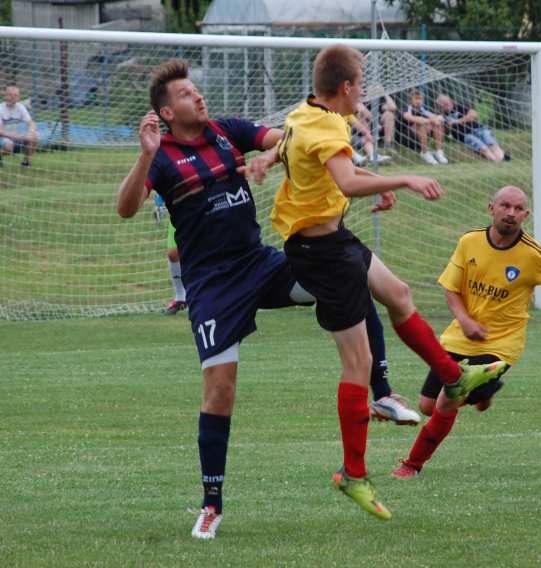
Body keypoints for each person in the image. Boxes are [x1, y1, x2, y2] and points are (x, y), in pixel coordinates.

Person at [115, 59, 418, 540]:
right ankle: (211, 505)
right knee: (221, 391)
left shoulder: (226, 131)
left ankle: (381, 392)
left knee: (347, 274)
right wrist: (144, 156)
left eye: (197, 89)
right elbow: (126, 208)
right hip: (213, 286)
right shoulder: (163, 156)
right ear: (166, 113)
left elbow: (297, 144)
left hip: (259, 264)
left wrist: (344, 174)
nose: (198, 96)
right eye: (187, 93)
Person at [260, 45, 508, 520]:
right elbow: (348, 183)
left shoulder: (303, 113)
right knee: (359, 364)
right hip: (321, 254)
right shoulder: (331, 125)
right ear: (347, 87)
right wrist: (405, 180)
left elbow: (329, 171)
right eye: (362, 86)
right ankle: (353, 475)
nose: (366, 95)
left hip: (332, 238)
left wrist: (374, 178)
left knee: (398, 294)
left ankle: (454, 381)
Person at [390, 185, 541, 478]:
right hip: (460, 336)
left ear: (526, 215)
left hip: (501, 345)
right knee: (427, 405)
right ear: (491, 208)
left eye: (518, 209)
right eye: (505, 206)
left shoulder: (536, 255)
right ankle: (483, 392)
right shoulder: (469, 242)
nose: (511, 213)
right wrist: (465, 320)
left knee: (447, 399)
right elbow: (451, 288)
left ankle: (411, 465)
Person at [436, 94, 508, 162]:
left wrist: (456, 121)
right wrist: (447, 127)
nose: (446, 107)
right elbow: (446, 132)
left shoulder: (459, 107)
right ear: (440, 107)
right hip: (465, 136)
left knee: (491, 143)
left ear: (451, 101)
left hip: (479, 129)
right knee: (482, 148)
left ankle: (502, 159)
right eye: (442, 106)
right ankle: (497, 162)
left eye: (447, 104)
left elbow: (474, 115)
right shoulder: (441, 116)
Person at [153, 192, 187, 315]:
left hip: (201, 206)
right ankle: (181, 298)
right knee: (173, 254)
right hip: (178, 211)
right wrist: (159, 204)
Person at [401, 89, 448, 165]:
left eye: (420, 99)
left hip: (421, 136)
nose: (419, 101)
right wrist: (430, 120)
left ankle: (439, 152)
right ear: (410, 100)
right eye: (416, 98)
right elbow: (409, 117)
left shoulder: (423, 110)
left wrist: (435, 120)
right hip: (406, 137)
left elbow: (440, 118)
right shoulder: (406, 108)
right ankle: (425, 152)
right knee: (421, 124)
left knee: (438, 124)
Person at [0, 85, 37, 167]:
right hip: (2, 138)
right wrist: (20, 137)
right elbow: (1, 132)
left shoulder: (20, 107)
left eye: (15, 95)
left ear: (18, 97)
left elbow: (31, 122)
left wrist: (31, 132)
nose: (12, 97)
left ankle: (26, 162)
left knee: (33, 137)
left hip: (15, 137)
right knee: (8, 146)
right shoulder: (0, 109)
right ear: (5, 96)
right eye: (9, 94)